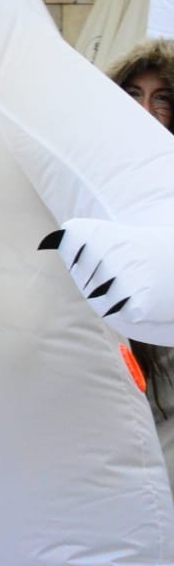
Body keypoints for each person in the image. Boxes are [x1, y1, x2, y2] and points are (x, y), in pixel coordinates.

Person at [107, 38, 174, 480]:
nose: (146, 109)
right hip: (114, 343)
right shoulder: (95, 168)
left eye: (161, 98)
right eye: (133, 95)